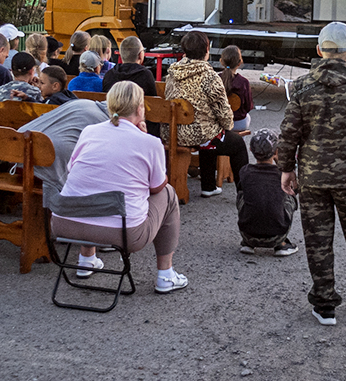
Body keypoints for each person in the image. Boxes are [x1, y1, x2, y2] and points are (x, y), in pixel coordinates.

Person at [277, 21, 346, 326]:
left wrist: (286, 169)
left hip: (312, 177)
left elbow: (289, 134)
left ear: (319, 51)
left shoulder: (302, 87)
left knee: (317, 240)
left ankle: (325, 304)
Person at [50, 82, 188, 293]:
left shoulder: (89, 132)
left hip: (64, 222)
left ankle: (86, 260)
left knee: (91, 184)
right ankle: (166, 275)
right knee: (168, 194)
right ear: (140, 108)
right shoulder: (150, 143)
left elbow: (71, 169)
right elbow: (157, 186)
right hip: (123, 234)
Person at [162, 30, 249, 198]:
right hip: (200, 135)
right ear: (206, 50)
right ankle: (244, 193)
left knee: (210, 132)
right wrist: (227, 126)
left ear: (185, 50)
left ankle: (209, 186)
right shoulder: (210, 76)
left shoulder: (172, 73)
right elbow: (223, 111)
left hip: (173, 132)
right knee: (233, 143)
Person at [237, 129, 298, 257]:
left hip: (248, 234)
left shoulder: (245, 171)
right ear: (276, 152)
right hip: (277, 235)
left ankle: (248, 244)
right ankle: (281, 244)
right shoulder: (281, 174)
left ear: (251, 150)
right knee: (289, 196)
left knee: (243, 194)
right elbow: (294, 190)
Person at [102, 35, 160, 138]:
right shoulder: (146, 75)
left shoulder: (109, 75)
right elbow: (153, 106)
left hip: (111, 123)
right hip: (141, 127)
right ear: (140, 55)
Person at [218, 45, 253, 132]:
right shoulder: (244, 82)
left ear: (221, 61)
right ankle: (240, 142)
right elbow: (248, 107)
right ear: (239, 63)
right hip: (239, 123)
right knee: (247, 117)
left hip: (220, 123)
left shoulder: (216, 79)